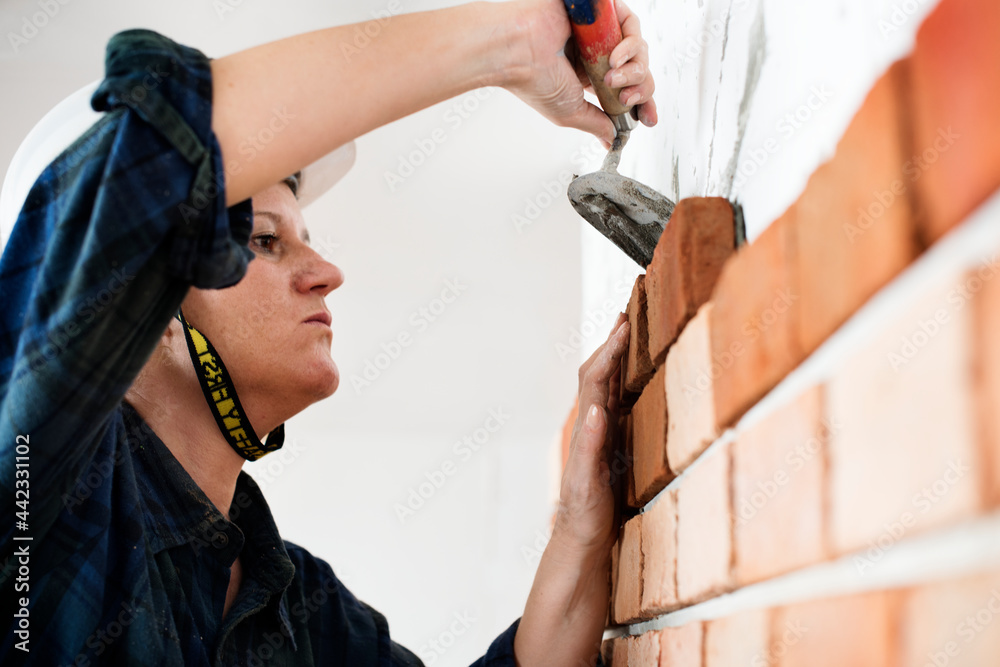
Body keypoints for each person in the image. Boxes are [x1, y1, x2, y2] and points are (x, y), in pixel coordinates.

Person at [0, 0, 654, 664]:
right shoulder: (40, 503)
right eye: (264, 242)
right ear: (146, 308)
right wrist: (508, 40)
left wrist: (579, 525)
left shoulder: (292, 604)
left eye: (303, 239)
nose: (326, 272)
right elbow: (131, 172)